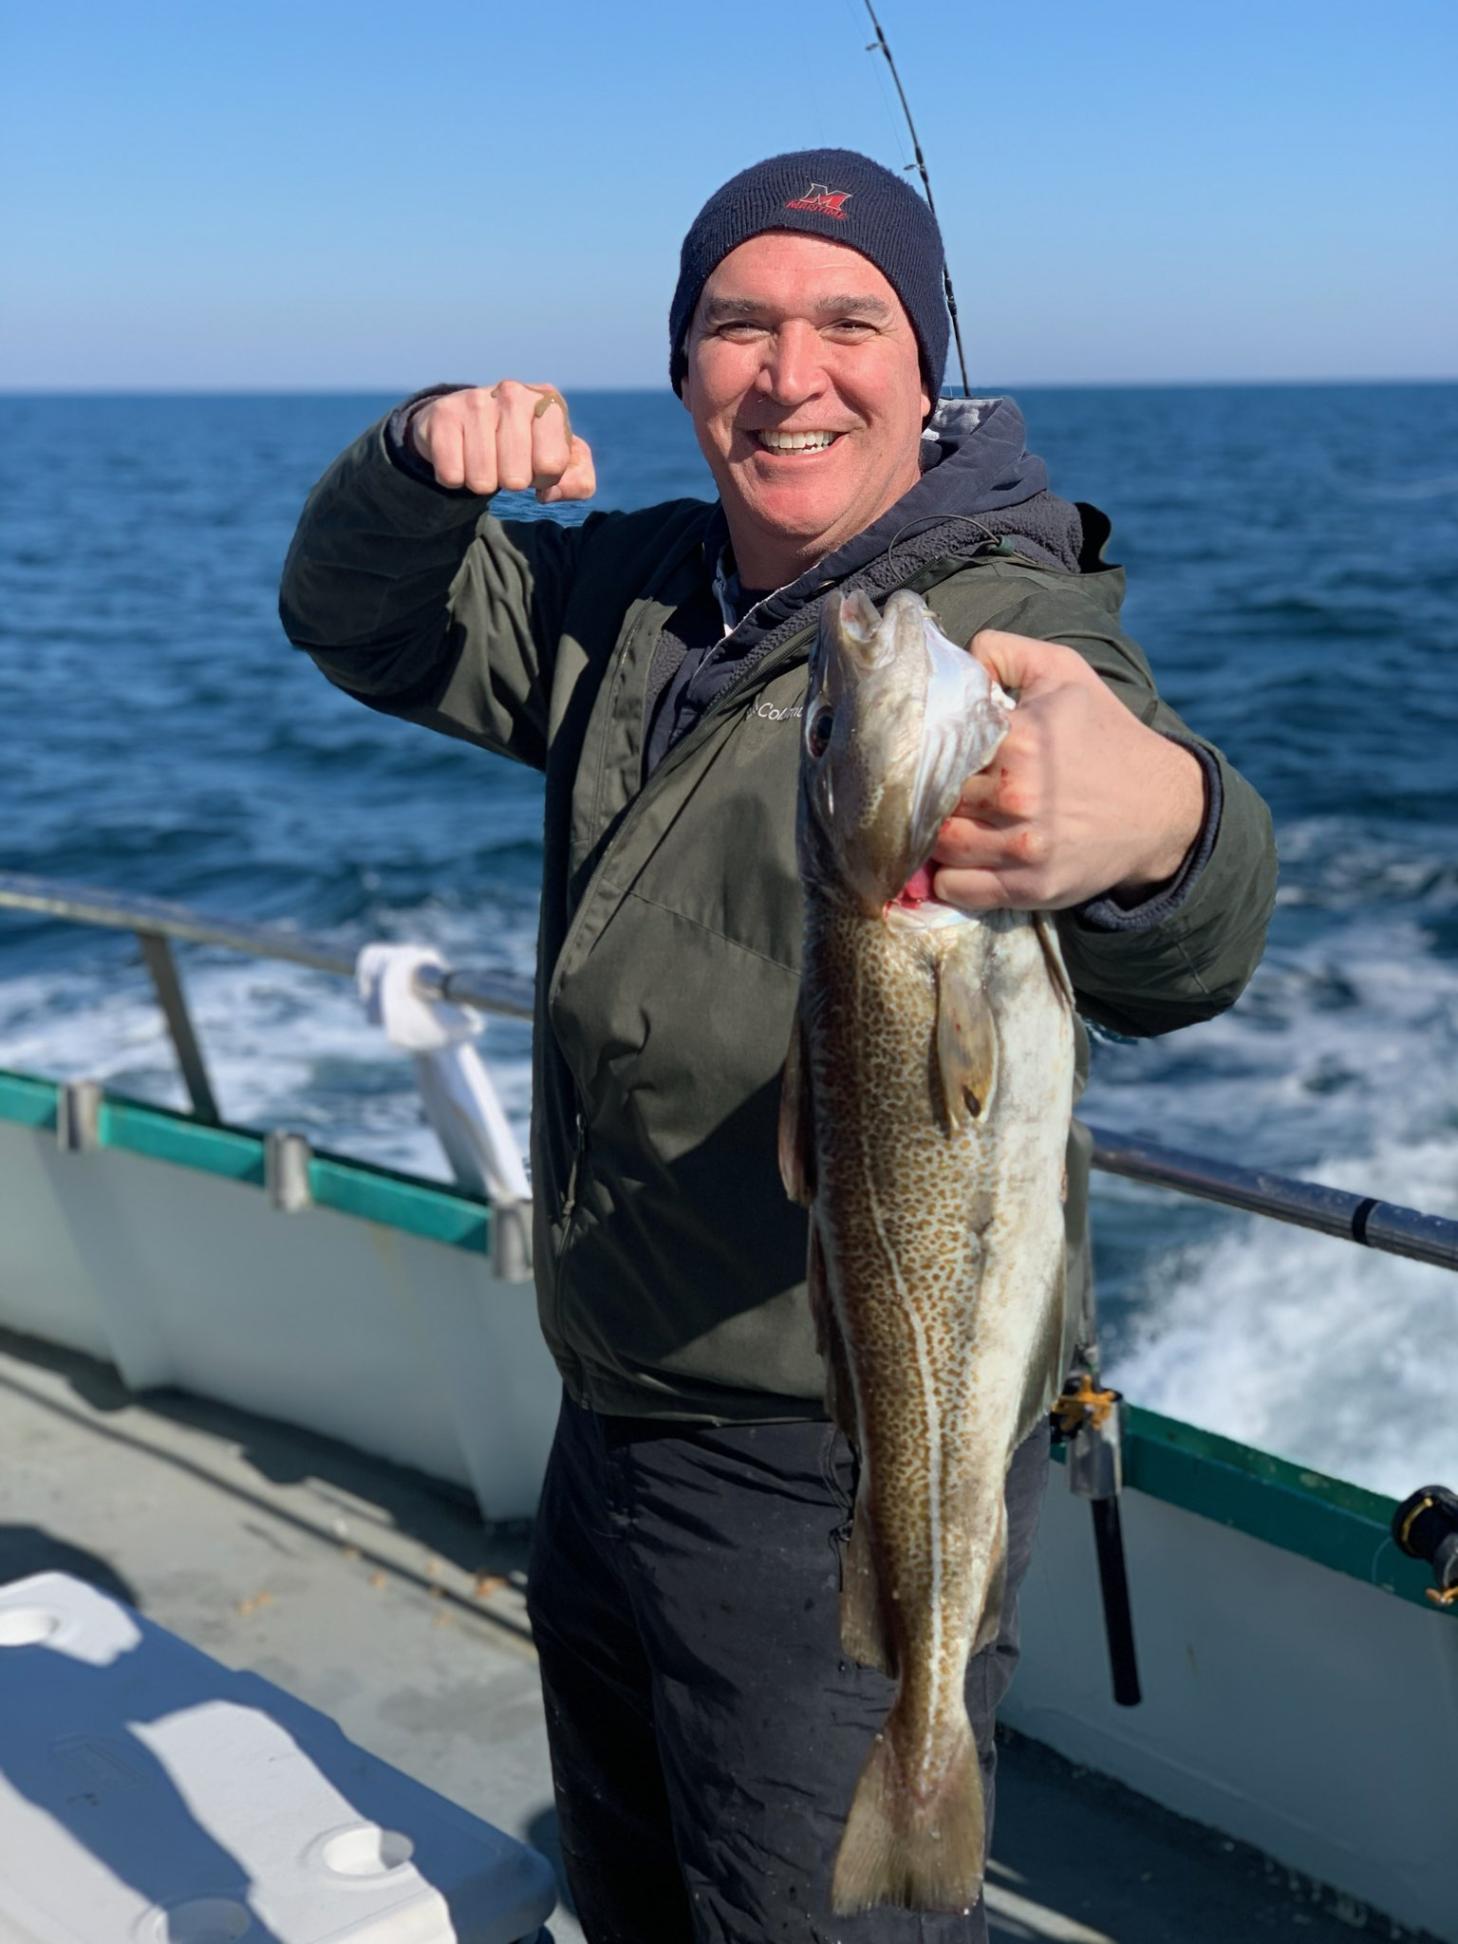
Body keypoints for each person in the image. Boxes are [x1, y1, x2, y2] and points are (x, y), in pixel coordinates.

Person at [280, 147, 1277, 1943]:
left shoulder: (1007, 637)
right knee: (633, 1900)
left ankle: (921, 1774)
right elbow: (356, 618)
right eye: (738, 325)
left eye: (849, 322)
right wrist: (417, 460)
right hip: (609, 1409)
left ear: (925, 369)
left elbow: (1182, 937)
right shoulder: (636, 596)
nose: (789, 372)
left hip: (832, 1454)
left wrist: (1165, 829)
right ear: (680, 369)